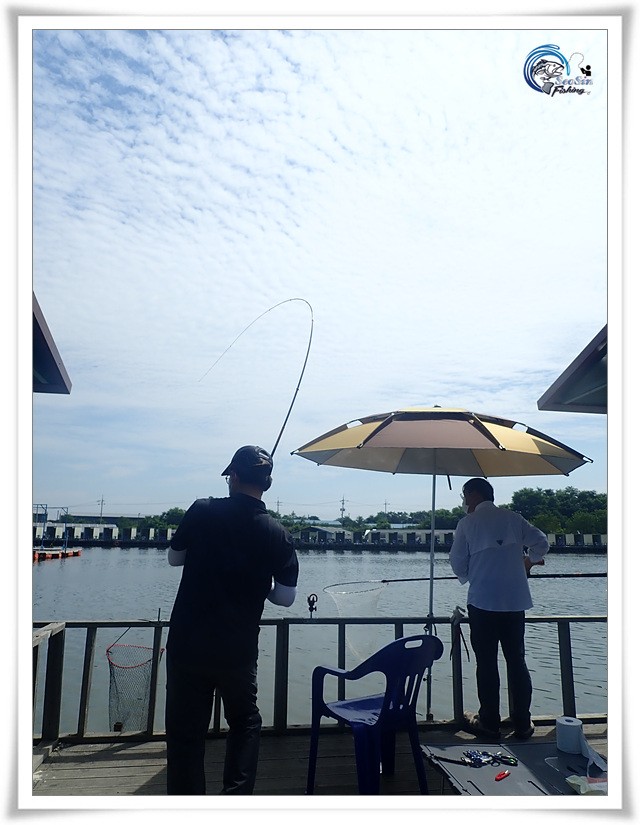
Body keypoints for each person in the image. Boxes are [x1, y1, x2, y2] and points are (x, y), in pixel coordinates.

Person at [164, 445, 299, 795]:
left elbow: (174, 559)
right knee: (244, 721)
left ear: (234, 477)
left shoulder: (202, 509)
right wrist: (261, 584)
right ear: (266, 483)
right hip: (237, 649)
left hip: (188, 644)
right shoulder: (278, 534)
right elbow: (285, 598)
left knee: (185, 731)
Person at [449, 477, 549, 741]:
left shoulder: (467, 523)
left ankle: (489, 722)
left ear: (473, 495)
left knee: (486, 663)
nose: (464, 501)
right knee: (517, 660)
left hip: (482, 603)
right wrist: (529, 561)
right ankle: (522, 722)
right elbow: (542, 542)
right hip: (515, 603)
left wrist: (472, 573)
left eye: (464, 495)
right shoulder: (514, 519)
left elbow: (457, 562)